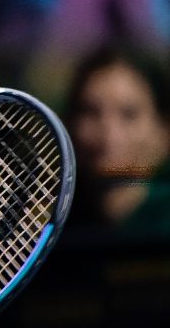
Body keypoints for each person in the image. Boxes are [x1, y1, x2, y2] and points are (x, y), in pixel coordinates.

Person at [65, 46, 170, 237]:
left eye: (129, 114)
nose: (109, 134)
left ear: (164, 130)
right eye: (90, 111)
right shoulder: (46, 222)